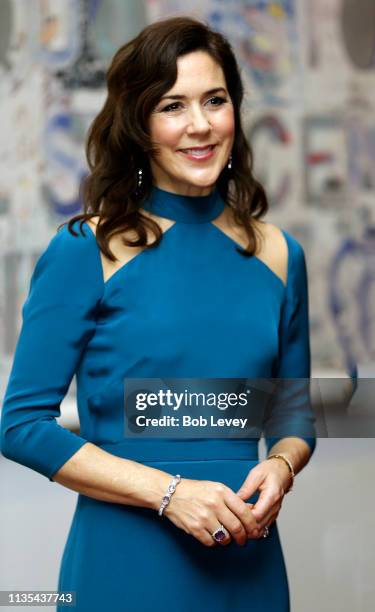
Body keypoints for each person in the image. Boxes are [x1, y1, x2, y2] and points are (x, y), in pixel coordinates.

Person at [0, 16, 316, 612]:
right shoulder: (85, 249)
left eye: (215, 101)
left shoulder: (279, 255)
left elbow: (292, 414)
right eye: (172, 105)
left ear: (235, 111)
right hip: (125, 569)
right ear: (139, 124)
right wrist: (169, 494)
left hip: (249, 567)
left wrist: (280, 464)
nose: (199, 125)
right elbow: (20, 427)